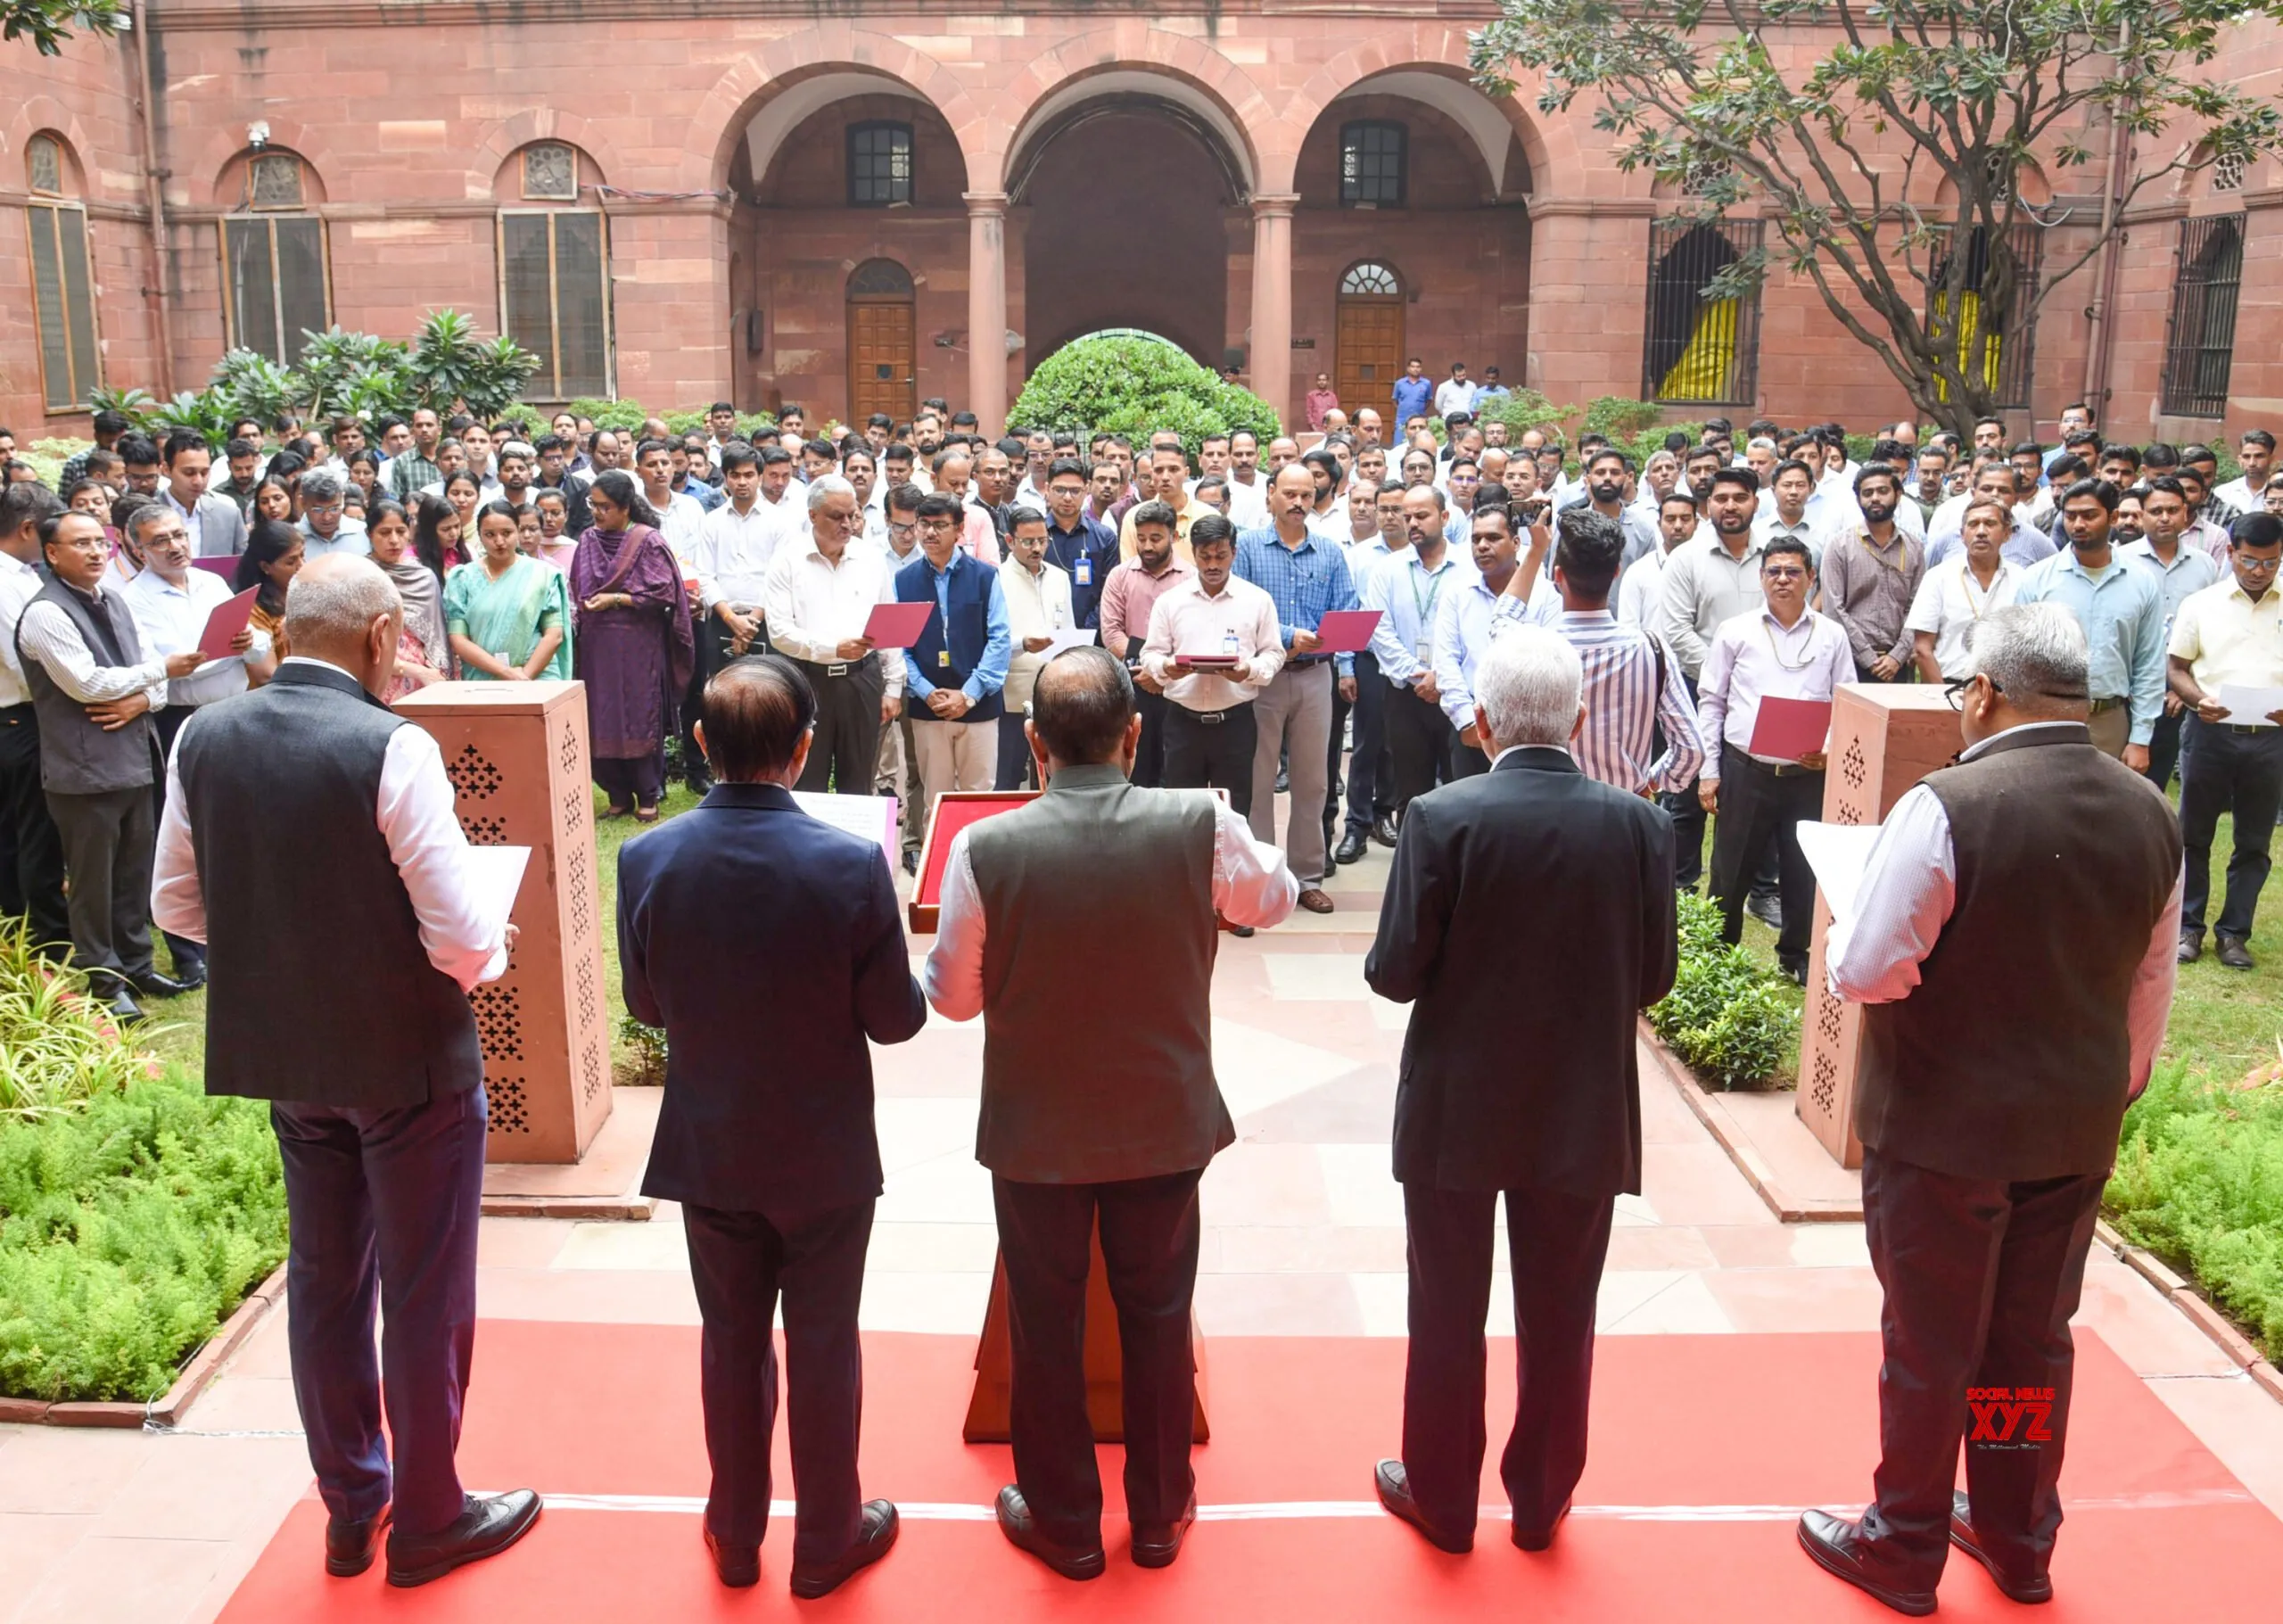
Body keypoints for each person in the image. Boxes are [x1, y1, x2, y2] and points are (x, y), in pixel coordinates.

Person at [152, 554, 540, 1587]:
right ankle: (428, 1516)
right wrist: (490, 946)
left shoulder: (204, 734)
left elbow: (176, 909)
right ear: (378, 637)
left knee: (325, 1284)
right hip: (407, 1059)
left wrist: (290, 943)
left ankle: (349, 1504)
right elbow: (458, 935)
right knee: (422, 1292)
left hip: (288, 1055)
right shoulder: (392, 744)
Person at [1808, 603, 2180, 1617]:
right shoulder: (2149, 809)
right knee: (2028, 1341)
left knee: (1929, 1344)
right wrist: (2117, 1084)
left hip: (1943, 1131)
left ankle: (1904, 1538)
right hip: (2072, 1125)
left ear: (1980, 691)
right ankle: (2017, 1538)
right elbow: (2152, 976)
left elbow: (1870, 970)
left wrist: (1852, 919)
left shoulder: (1948, 803)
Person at [921, 647, 1298, 1579]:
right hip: (1162, 1120)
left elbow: (954, 1000)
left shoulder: (986, 846)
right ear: (1135, 737)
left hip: (1035, 1126)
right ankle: (1160, 1513)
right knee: (1158, 1314)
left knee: (1045, 1325)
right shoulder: (1196, 821)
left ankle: (1065, 1523)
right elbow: (1274, 900)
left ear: (1036, 746)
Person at [1364, 625, 1676, 1556]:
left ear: (1484, 722)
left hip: (1459, 1104)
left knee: (1447, 1308)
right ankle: (1539, 1499)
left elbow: (1394, 973)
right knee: (1560, 1313)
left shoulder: (1440, 817)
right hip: (1579, 1104)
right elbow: (1653, 976)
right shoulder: (1639, 826)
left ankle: (1444, 1496)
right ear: (1579, 719)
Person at [616, 656, 923, 1596]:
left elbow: (648, 1003)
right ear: (801, 751)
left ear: (701, 745)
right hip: (823, 1147)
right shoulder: (848, 861)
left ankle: (736, 1529)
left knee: (730, 1341)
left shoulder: (647, 857)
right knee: (826, 1341)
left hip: (712, 1142)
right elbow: (895, 1019)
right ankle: (828, 1537)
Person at [12, 509, 206, 1016]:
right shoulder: (45, 614)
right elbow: (86, 683)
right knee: (92, 879)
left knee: (133, 873)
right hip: (82, 771)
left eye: (101, 542)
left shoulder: (116, 601)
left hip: (135, 757)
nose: (97, 551)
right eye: (82, 544)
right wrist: (156, 674)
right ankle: (104, 979)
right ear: (52, 554)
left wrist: (144, 697)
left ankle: (138, 965)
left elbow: (157, 687)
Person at [120, 500, 279, 990]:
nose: (174, 546)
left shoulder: (211, 583)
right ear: (138, 549)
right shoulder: (131, 599)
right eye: (160, 540)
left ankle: (242, 931)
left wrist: (245, 643)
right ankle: (187, 951)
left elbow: (258, 648)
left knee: (241, 822)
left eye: (178, 536)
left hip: (233, 709)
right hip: (177, 719)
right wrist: (204, 659)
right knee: (185, 830)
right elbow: (160, 668)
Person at [1695, 536, 1852, 984]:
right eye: (1774, 571)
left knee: (1802, 868)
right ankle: (1718, 952)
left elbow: (1844, 701)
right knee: (1731, 866)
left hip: (1807, 774)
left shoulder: (1832, 635)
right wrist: (1710, 772)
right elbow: (1712, 702)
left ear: (1811, 578)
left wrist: (1828, 748)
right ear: (1761, 578)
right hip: (1747, 769)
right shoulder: (1737, 631)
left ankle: (1795, 953)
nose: (1783, 579)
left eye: (1793, 571)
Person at [1499, 507, 1703, 797]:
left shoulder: (1533, 647)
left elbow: (1502, 619)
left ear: (1558, 575)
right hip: (1624, 814)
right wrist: (1650, 783)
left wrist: (1536, 550)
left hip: (1549, 813)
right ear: (1616, 572)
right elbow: (1691, 749)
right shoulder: (1652, 650)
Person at [1237, 463, 1358, 913]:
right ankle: (1262, 877)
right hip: (1264, 677)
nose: (1298, 503)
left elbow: (1346, 610)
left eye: (1306, 495)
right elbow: (1242, 610)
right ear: (1271, 494)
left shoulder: (1329, 552)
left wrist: (1345, 666)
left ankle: (1306, 876)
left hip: (1315, 678)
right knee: (1259, 779)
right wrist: (1289, 635)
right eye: (1289, 493)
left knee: (1313, 781)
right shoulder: (1247, 547)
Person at [2167, 514, 2283, 970]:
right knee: (2193, 834)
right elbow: (2176, 667)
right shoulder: (2203, 604)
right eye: (2251, 560)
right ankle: (2188, 928)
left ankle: (2235, 933)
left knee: (2254, 840)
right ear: (2231, 552)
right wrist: (2198, 700)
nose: (2259, 571)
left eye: (2271, 562)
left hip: (2272, 738)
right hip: (2210, 731)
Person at [1659, 467, 1768, 891]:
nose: (1730, 506)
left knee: (1754, 798)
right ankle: (1681, 888)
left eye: (1740, 497)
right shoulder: (1686, 558)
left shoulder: (1773, 559)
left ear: (1755, 502)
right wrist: (1723, 676)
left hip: (1761, 696)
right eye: (1721, 498)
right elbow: (1676, 631)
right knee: (1687, 798)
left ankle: (1758, 890)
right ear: (1708, 506)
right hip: (1694, 691)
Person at [759, 474, 902, 796]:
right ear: (813, 515)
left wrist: (893, 687)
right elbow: (779, 633)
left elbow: (888, 625)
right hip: (807, 679)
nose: (848, 524)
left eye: (853, 514)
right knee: (806, 776)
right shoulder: (787, 561)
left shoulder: (871, 558)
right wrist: (832, 648)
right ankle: (808, 845)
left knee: (860, 779)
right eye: (837, 516)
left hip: (863, 678)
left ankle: (857, 846)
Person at [2011, 478, 2164, 768]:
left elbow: (2149, 664)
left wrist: (2140, 739)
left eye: (2089, 515)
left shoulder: (2141, 582)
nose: (2078, 524)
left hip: (2109, 719)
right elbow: (2018, 656)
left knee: (2105, 811)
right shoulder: (2037, 579)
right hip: (2047, 716)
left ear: (2114, 517)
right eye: (2070, 516)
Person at [573, 471, 696, 821]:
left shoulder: (647, 541)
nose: (597, 513)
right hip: (597, 646)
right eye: (592, 505)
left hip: (638, 646)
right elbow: (577, 586)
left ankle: (647, 794)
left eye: (605, 507)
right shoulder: (587, 540)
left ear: (625, 508)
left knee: (638, 715)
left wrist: (616, 599)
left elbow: (662, 592)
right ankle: (617, 793)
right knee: (600, 715)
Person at [895, 490, 1010, 815]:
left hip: (979, 704)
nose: (930, 533)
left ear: (960, 530)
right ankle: (940, 865)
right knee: (935, 801)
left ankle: (980, 867)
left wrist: (969, 694)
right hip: (928, 705)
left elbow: (1000, 639)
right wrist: (926, 691)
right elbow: (900, 648)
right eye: (924, 524)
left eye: (941, 525)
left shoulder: (985, 577)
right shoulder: (903, 581)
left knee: (980, 798)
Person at [1366, 483, 1471, 817]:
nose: (1412, 523)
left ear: (1444, 516)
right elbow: (1380, 633)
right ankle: (1415, 865)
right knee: (1411, 793)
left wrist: (1442, 677)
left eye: (1421, 516)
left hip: (1458, 694)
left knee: (1461, 787)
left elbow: (1474, 630)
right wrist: (1419, 676)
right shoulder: (1388, 569)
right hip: (1405, 697)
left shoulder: (1469, 566)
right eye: (1406, 515)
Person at [0, 483, 71, 956]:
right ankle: (46, 939)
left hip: (29, 715)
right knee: (33, 834)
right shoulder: (5, 581)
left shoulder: (23, 574)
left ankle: (29, 931)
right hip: (19, 718)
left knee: (28, 830)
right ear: (28, 528)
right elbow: (22, 659)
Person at [1098, 501, 1192, 788]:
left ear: (1174, 537)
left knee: (1174, 770)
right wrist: (1145, 669)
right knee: (1134, 768)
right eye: (1141, 539)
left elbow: (1193, 636)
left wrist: (1162, 673)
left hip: (1177, 687)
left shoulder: (1190, 579)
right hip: (1132, 685)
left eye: (1156, 538)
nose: (1147, 546)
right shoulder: (1120, 576)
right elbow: (1112, 632)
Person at [444, 502, 573, 684]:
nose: (499, 541)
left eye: (507, 533)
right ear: (479, 535)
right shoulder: (462, 578)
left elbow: (554, 634)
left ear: (518, 531)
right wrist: (506, 673)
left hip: (537, 677)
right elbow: (458, 639)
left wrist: (524, 677)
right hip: (482, 677)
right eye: (490, 534)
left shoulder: (542, 575)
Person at [1819, 466, 1927, 683]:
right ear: (1858, 499)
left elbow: (1919, 609)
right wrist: (1869, 658)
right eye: (1867, 493)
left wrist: (1897, 657)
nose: (1875, 498)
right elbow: (1833, 609)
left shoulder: (1914, 548)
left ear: (1898, 495)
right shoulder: (1840, 546)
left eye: (1882, 491)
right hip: (1850, 663)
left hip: (1898, 665)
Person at [996, 507, 1075, 791]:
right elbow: (989, 640)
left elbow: (1068, 627)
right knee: (1007, 775)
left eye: (1042, 540)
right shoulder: (996, 578)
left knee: (1052, 777)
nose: (1037, 548)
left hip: (1054, 692)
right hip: (1011, 693)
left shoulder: (1059, 577)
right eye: (1028, 541)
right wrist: (1023, 644)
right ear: (1009, 541)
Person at [1906, 497, 2022, 682]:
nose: (1981, 532)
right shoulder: (1938, 577)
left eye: (1990, 524)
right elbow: (1922, 648)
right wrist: (1943, 698)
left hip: (2006, 691)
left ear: (2007, 533)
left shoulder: (2022, 579)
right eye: (1973, 524)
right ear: (1962, 535)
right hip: (1950, 685)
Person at [366, 499, 451, 699]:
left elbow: (437, 635)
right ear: (369, 534)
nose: (394, 540)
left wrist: (429, 673)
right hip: (377, 680)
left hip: (423, 684)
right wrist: (413, 670)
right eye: (384, 533)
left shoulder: (423, 577)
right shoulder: (361, 576)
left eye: (401, 531)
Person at [160, 430, 251, 559]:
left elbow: (244, 568)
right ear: (166, 470)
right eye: (189, 473)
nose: (198, 481)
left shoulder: (229, 517)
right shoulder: (144, 516)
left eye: (204, 472)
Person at [234, 518, 306, 642]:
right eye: (290, 562)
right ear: (265, 567)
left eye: (302, 556)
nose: (301, 566)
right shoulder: (255, 613)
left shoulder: (308, 593)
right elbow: (264, 661)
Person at [297, 467, 370, 558]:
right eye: (318, 510)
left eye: (334, 509)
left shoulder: (363, 533)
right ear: (303, 503)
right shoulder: (293, 539)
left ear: (343, 499)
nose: (327, 518)